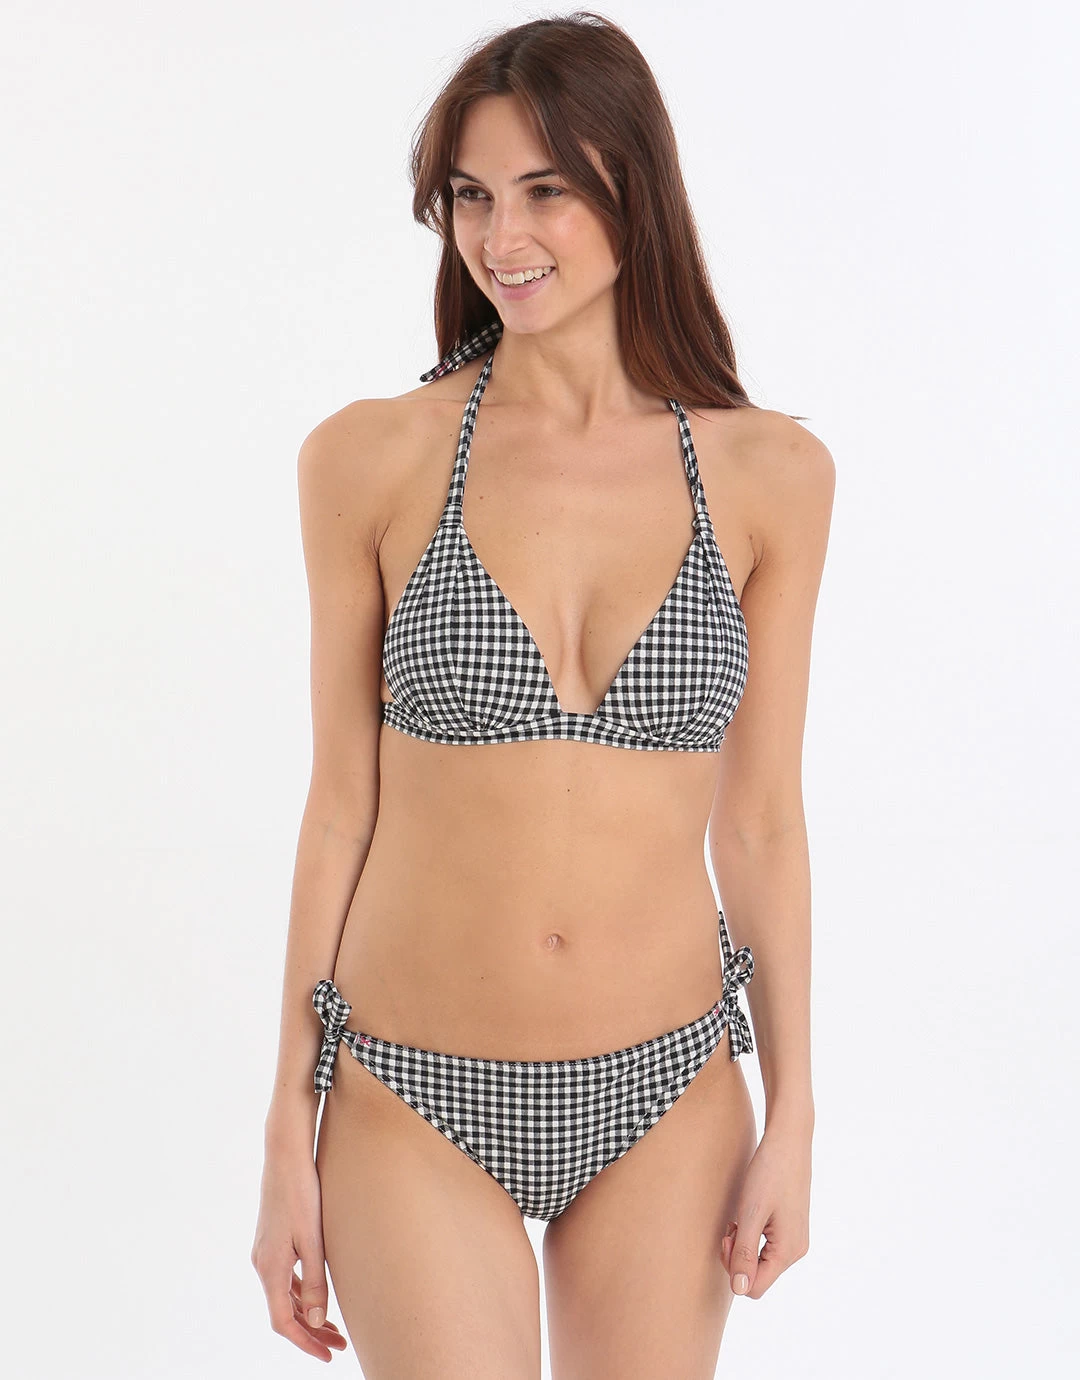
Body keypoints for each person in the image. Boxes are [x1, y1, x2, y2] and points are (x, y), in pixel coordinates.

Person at [251, 12, 833, 1376]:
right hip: (409, 1088)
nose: (500, 237)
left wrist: (797, 1110)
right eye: (470, 195)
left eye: (545, 190)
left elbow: (760, 824)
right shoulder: (370, 460)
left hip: (669, 1085)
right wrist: (286, 1127)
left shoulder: (770, 476)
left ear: (637, 187)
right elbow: (338, 809)